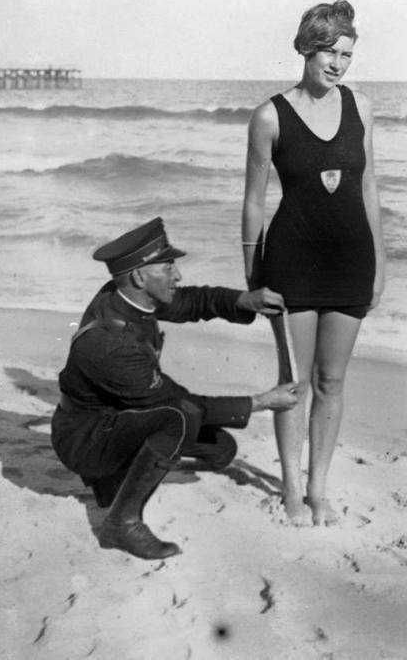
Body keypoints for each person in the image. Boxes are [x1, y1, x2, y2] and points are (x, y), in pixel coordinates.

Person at [51, 217, 297, 560]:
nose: (178, 276)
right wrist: (261, 402)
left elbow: (192, 302)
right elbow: (179, 402)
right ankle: (121, 523)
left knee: (222, 449)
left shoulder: (129, 295)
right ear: (140, 277)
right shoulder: (109, 340)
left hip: (118, 416)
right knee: (178, 418)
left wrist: (244, 300)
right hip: (86, 439)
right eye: (168, 268)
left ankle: (128, 470)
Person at [242, 0, 385, 526]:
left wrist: (381, 262)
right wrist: (252, 274)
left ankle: (318, 489)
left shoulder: (361, 107)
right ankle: (290, 489)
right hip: (291, 262)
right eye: (330, 53)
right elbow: (254, 201)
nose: (338, 64)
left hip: (351, 260)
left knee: (332, 382)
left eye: (347, 55)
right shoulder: (269, 116)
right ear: (307, 48)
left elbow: (369, 187)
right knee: (295, 383)